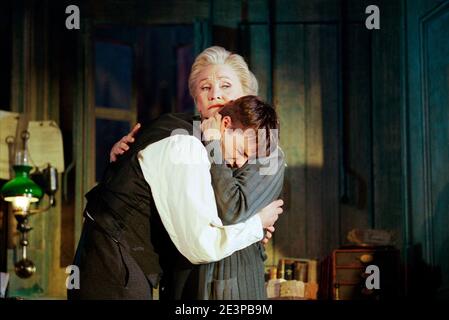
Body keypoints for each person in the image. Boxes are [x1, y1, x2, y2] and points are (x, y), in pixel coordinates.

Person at [110, 46, 285, 299]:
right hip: (179, 274)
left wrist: (214, 143)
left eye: (226, 86)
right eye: (205, 88)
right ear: (196, 100)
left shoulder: (264, 146)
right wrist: (123, 155)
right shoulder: (178, 133)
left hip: (232, 279)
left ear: (246, 95)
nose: (215, 94)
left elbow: (231, 209)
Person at [69, 95, 283, 300]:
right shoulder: (186, 147)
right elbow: (200, 245)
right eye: (242, 152)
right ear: (225, 124)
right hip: (113, 270)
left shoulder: (175, 127)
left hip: (100, 260)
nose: (240, 163)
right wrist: (257, 225)